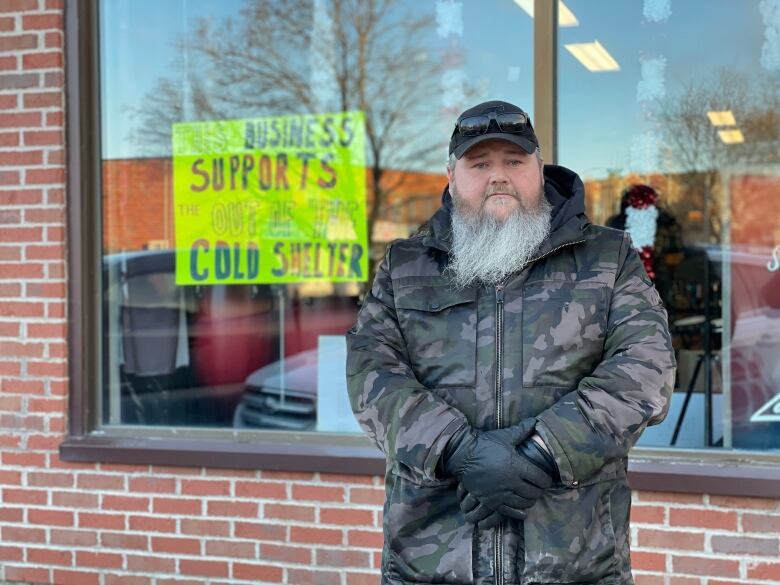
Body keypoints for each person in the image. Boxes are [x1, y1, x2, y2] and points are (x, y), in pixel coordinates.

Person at [346, 100, 675, 585]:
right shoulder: (405, 267)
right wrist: (458, 450)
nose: (498, 177)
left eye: (514, 162)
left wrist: (541, 452)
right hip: (430, 563)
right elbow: (370, 372)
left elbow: (647, 368)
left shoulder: (607, 259)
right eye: (480, 164)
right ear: (452, 176)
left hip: (577, 563)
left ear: (539, 170)